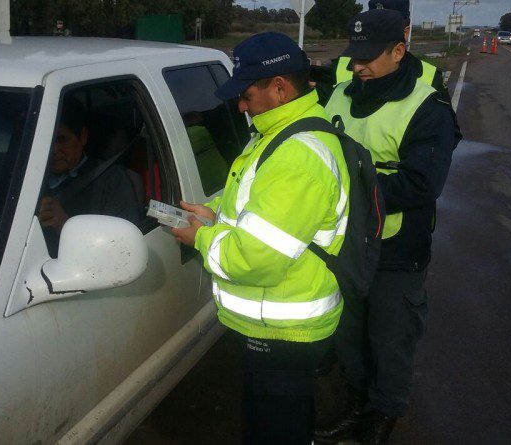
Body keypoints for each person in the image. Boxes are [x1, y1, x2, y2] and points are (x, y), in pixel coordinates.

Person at [171, 32, 350, 444]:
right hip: (277, 324)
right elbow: (263, 212)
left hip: (284, 331)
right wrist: (215, 215)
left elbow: (254, 257)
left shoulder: (297, 156)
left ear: (279, 88)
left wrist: (201, 238)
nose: (240, 105)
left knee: (274, 429)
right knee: (280, 418)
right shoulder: (280, 133)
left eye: (246, 95)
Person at [315, 9, 460, 444]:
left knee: (390, 339)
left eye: (368, 57)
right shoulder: (338, 94)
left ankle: (383, 414)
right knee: (349, 336)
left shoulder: (427, 107)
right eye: (354, 56)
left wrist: (344, 188)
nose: (357, 66)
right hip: (346, 243)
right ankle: (357, 404)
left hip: (397, 251)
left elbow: (421, 184)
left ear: (399, 50)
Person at [39, 96, 141, 253]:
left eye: (62, 140)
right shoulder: (28, 177)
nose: (54, 149)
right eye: (48, 140)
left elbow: (123, 248)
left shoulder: (111, 180)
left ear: (83, 136)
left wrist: (65, 225)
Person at [311, 0, 449, 104]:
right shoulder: (339, 66)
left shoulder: (430, 77)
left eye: (386, 26)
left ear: (405, 32)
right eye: (372, 23)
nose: (358, 67)